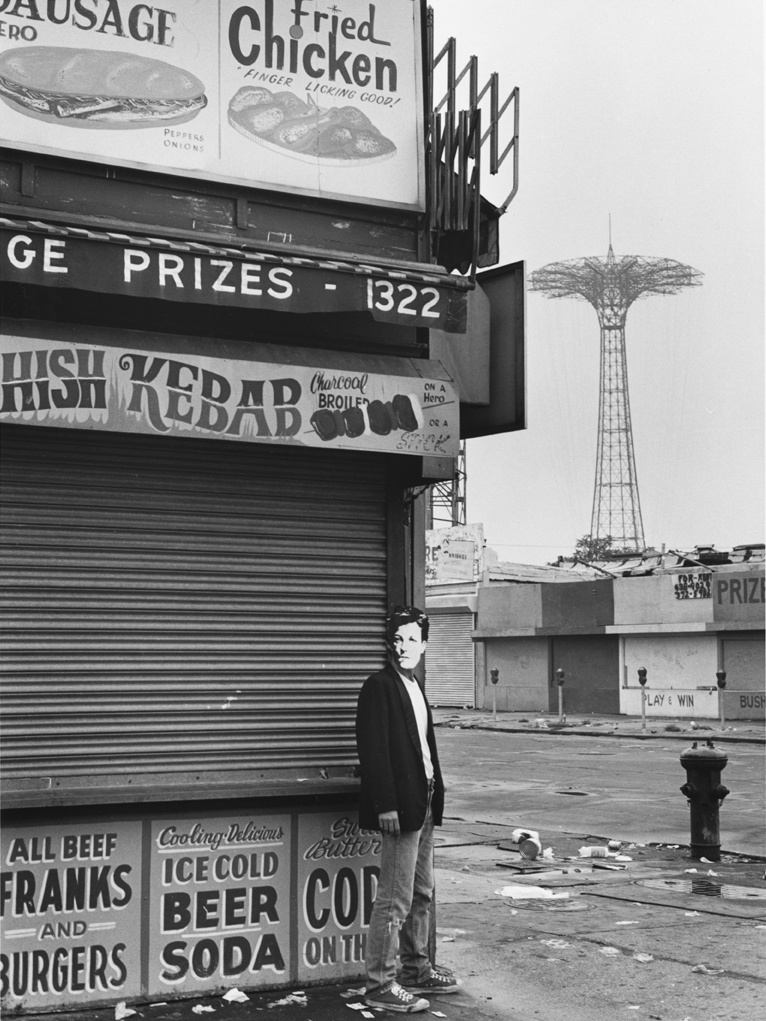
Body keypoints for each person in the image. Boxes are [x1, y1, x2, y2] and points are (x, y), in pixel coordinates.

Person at [355, 606, 461, 1013]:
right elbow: (373, 749)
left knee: (422, 892)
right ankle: (380, 985)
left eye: (412, 639)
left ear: (425, 644)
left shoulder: (415, 685)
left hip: (424, 801)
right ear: (387, 642)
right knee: (394, 899)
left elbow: (423, 748)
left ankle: (417, 969)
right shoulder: (378, 686)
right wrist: (385, 804)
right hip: (400, 805)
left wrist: (435, 796)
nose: (403, 646)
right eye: (396, 639)